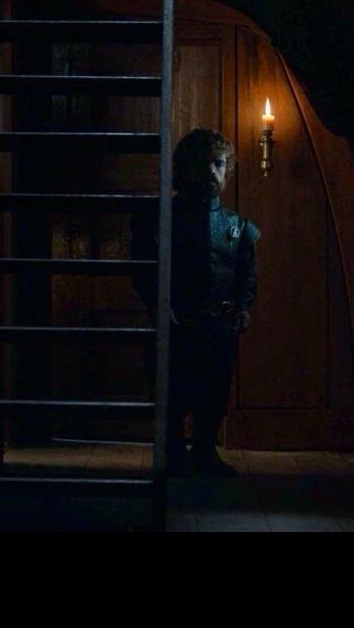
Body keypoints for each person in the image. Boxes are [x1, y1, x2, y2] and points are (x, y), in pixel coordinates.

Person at [131, 128, 260, 476]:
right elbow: (143, 268)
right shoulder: (159, 219)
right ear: (185, 168)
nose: (211, 172)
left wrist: (243, 307)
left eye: (219, 164)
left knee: (214, 392)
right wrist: (159, 306)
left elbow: (246, 273)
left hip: (217, 326)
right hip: (176, 322)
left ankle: (204, 452)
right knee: (171, 394)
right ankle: (173, 453)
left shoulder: (236, 225)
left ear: (228, 168)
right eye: (202, 164)